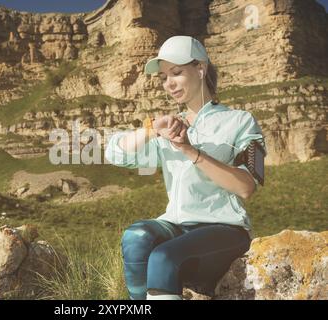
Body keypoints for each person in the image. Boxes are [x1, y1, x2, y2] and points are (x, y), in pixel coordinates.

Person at [104, 36, 267, 300]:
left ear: (200, 69)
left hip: (225, 229)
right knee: (136, 237)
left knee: (164, 257)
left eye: (176, 73)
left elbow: (246, 187)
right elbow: (115, 154)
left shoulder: (241, 122)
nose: (168, 83)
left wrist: (191, 151)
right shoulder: (169, 127)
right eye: (164, 77)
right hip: (175, 226)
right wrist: (151, 128)